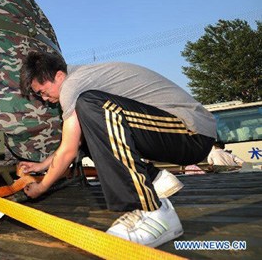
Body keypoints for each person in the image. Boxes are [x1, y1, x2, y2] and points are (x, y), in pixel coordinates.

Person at [18, 51, 216, 248]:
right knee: (89, 125)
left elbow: (68, 151)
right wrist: (42, 165)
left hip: (192, 131)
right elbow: (74, 142)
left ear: (59, 76)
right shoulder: (79, 79)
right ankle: (156, 181)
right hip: (174, 132)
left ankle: (154, 213)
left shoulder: (72, 85)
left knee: (91, 106)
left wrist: (42, 187)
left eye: (43, 91)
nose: (44, 98)